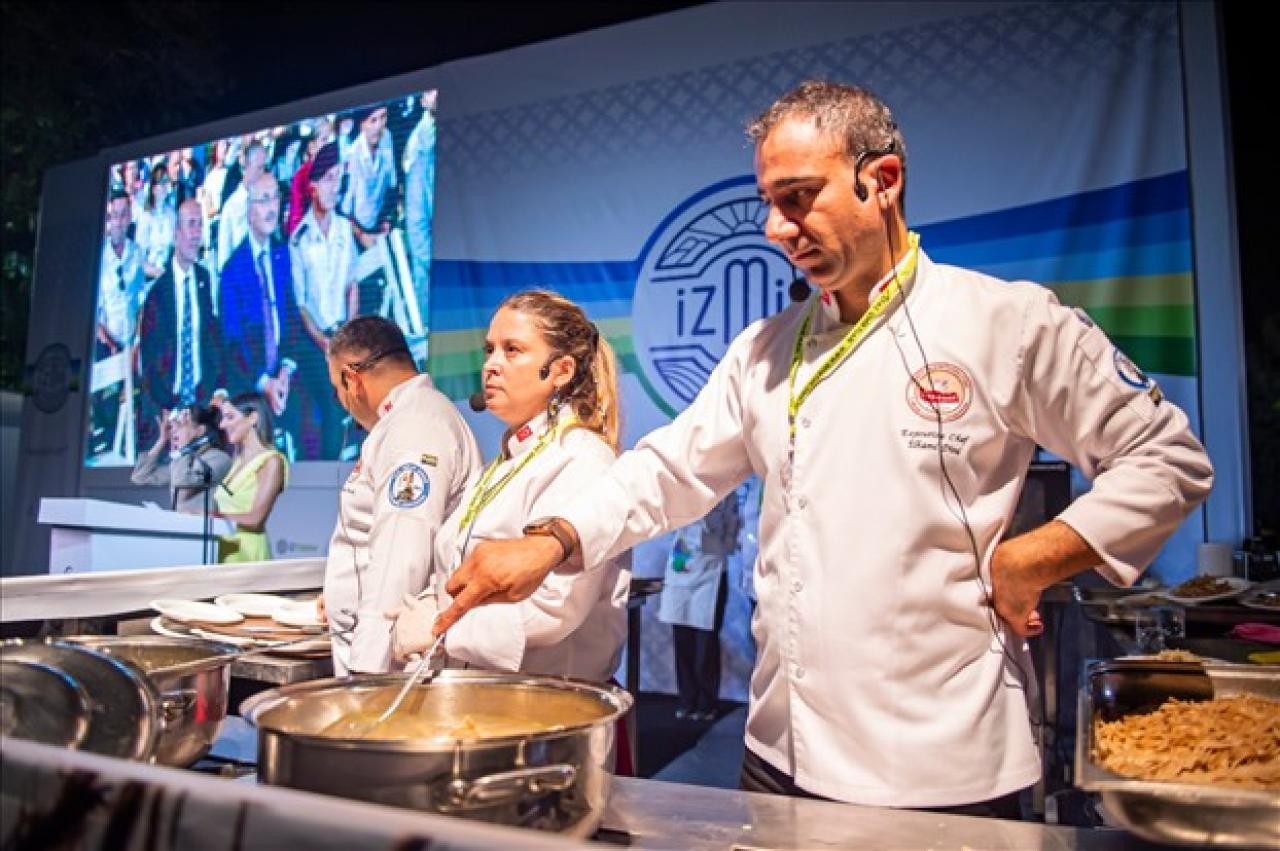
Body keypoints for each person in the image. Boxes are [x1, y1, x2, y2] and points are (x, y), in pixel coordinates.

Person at [430, 81, 1215, 816]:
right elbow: (667, 470)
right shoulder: (766, 348)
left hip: (941, 767)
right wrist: (551, 539)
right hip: (778, 752)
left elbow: (1166, 457)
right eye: (769, 203)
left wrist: (1032, 557)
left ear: (882, 180)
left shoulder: (1005, 322)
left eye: (798, 198)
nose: (776, 228)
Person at [390, 290, 631, 686]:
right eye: (489, 350)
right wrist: (427, 603)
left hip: (551, 705)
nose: (491, 365)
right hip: (486, 695)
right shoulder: (507, 460)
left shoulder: (581, 458)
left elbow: (553, 607)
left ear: (561, 371)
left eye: (512, 350)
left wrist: (440, 627)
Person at [320, 316, 481, 675]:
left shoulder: (415, 426)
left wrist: (368, 674)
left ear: (351, 379)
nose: (341, 402)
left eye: (336, 389)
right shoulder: (406, 419)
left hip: (393, 668)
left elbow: (401, 554)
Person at [219, 171, 326, 458]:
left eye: (275, 198)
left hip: (283, 372)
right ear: (249, 211)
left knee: (315, 419)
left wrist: (285, 372)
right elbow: (233, 344)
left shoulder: (282, 255)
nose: (271, 208)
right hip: (251, 380)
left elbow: (292, 320)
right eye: (263, 200)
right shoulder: (232, 270)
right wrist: (265, 383)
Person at [136, 198, 227, 449]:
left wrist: (218, 391)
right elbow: (150, 362)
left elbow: (213, 341)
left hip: (201, 401)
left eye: (200, 225)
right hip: (167, 402)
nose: (197, 233)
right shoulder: (157, 294)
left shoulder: (204, 280)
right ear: (176, 233)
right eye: (191, 225)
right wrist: (166, 407)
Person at [658, 494, 740, 721]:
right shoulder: (679, 489)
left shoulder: (727, 493)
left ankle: (706, 702)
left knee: (705, 645)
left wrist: (723, 545)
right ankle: (687, 700)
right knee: (682, 641)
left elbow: (732, 527)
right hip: (681, 564)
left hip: (711, 569)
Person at [214, 392, 288, 563]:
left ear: (253, 418)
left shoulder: (271, 461)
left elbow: (255, 519)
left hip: (247, 555)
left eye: (230, 417)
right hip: (223, 551)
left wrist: (210, 517)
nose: (222, 425)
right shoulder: (236, 461)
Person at [132, 404, 232, 514]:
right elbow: (140, 476)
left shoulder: (219, 458)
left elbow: (182, 484)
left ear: (200, 430)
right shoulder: (187, 459)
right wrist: (161, 440)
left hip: (205, 524)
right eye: (173, 426)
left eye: (180, 425)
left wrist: (183, 447)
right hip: (182, 524)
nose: (174, 431)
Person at [340, 105, 396, 250]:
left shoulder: (387, 138)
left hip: (380, 224)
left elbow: (391, 183)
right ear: (361, 125)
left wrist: (387, 218)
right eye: (373, 120)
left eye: (383, 117)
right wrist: (361, 236)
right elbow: (344, 211)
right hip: (357, 232)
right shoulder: (352, 156)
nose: (379, 126)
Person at [136, 164, 176, 279]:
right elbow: (139, 258)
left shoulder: (171, 213)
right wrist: (155, 272)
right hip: (149, 275)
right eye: (162, 182)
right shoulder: (146, 216)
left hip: (167, 272)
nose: (166, 186)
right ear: (154, 188)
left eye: (167, 181)